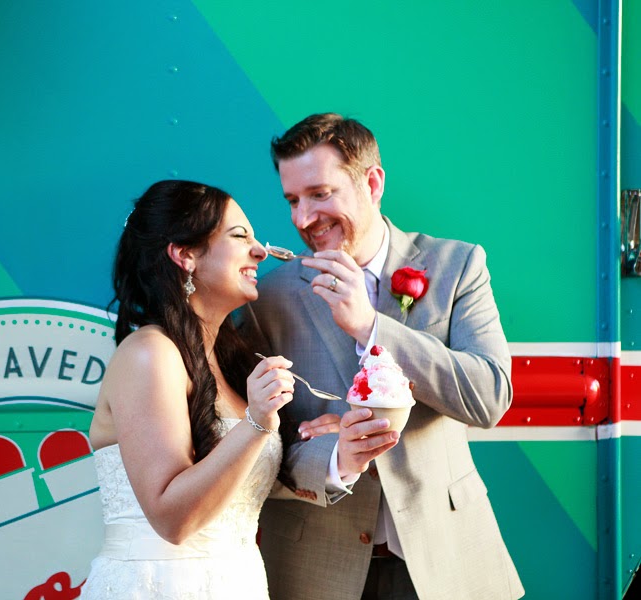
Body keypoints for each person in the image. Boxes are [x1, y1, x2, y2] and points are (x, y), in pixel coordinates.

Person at [241, 114, 525, 600]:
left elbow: (490, 397)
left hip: (446, 561)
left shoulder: (458, 266)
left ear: (372, 184)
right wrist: (336, 454)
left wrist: (371, 327)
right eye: (292, 200)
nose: (303, 219)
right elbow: (253, 444)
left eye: (320, 194)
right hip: (316, 569)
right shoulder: (266, 301)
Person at [81, 180, 390, 599]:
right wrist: (256, 422)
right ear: (185, 255)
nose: (260, 251)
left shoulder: (230, 360)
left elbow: (240, 481)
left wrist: (342, 454)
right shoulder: (149, 353)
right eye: (240, 236)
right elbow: (172, 520)